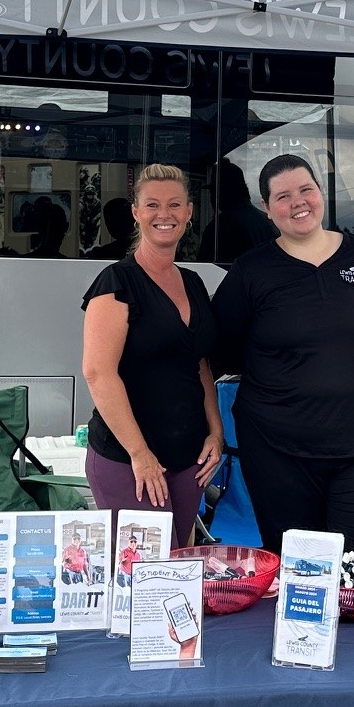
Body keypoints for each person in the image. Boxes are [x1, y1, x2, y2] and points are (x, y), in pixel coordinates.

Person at [212, 154, 354, 558]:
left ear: (321, 194)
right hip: (277, 453)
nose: (298, 202)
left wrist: (344, 365)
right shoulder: (251, 271)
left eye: (306, 189)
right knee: (301, 577)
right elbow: (222, 350)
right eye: (282, 196)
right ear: (267, 210)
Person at [81, 166, 225, 540]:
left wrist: (216, 432)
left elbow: (200, 363)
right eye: (153, 205)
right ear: (136, 212)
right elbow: (98, 374)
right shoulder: (116, 282)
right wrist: (140, 454)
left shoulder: (192, 282)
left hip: (188, 459)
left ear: (190, 212)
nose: (165, 214)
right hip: (128, 461)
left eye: (175, 204)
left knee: (180, 569)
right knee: (145, 579)